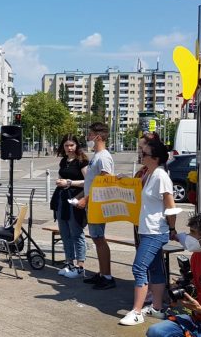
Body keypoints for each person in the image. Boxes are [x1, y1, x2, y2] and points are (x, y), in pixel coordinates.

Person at [120, 139, 177, 326]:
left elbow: (170, 206)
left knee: (139, 267)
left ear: (155, 158)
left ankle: (137, 312)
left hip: (155, 231)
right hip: (147, 229)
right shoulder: (150, 174)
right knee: (155, 269)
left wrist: (172, 229)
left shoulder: (161, 176)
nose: (140, 155)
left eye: (143, 154)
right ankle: (157, 308)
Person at [76, 122, 116, 289]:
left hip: (98, 205)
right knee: (97, 238)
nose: (88, 138)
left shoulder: (104, 157)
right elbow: (92, 182)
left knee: (99, 239)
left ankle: (107, 276)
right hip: (92, 204)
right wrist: (81, 196)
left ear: (98, 137)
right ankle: (102, 273)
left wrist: (87, 199)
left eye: (90, 135)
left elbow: (105, 183)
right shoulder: (97, 156)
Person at [50, 134, 89, 279]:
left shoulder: (82, 161)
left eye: (72, 145)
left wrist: (69, 182)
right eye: (66, 145)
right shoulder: (64, 161)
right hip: (62, 199)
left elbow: (88, 182)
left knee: (76, 232)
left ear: (77, 145)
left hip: (75, 199)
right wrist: (61, 182)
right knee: (65, 233)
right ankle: (69, 263)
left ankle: (80, 266)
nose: (69, 148)